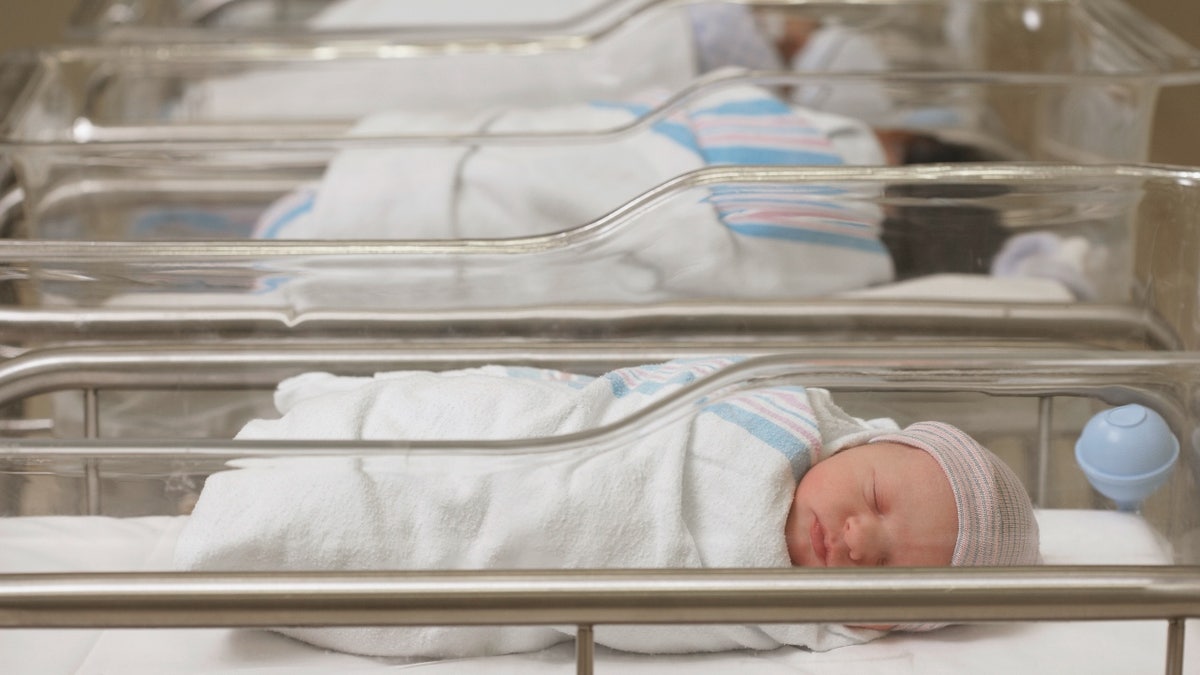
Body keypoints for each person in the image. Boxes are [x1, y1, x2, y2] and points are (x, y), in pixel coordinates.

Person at [176, 357, 1039, 658]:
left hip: (504, 535)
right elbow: (624, 400)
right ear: (857, 444)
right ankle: (346, 426)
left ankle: (276, 518)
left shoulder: (784, 607)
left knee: (400, 515)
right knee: (460, 428)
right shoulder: (776, 417)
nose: (857, 541)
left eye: (887, 572)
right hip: (550, 432)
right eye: (876, 499)